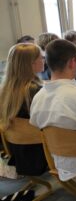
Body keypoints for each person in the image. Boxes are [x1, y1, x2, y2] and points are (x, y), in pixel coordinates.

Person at [30, 39, 76, 181]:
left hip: (57, 163)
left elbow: (36, 127)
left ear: (47, 63)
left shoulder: (38, 97)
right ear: (72, 62)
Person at [0, 43, 47, 176]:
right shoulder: (34, 91)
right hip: (40, 155)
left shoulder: (5, 90)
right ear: (30, 63)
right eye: (40, 57)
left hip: (17, 152)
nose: (43, 59)